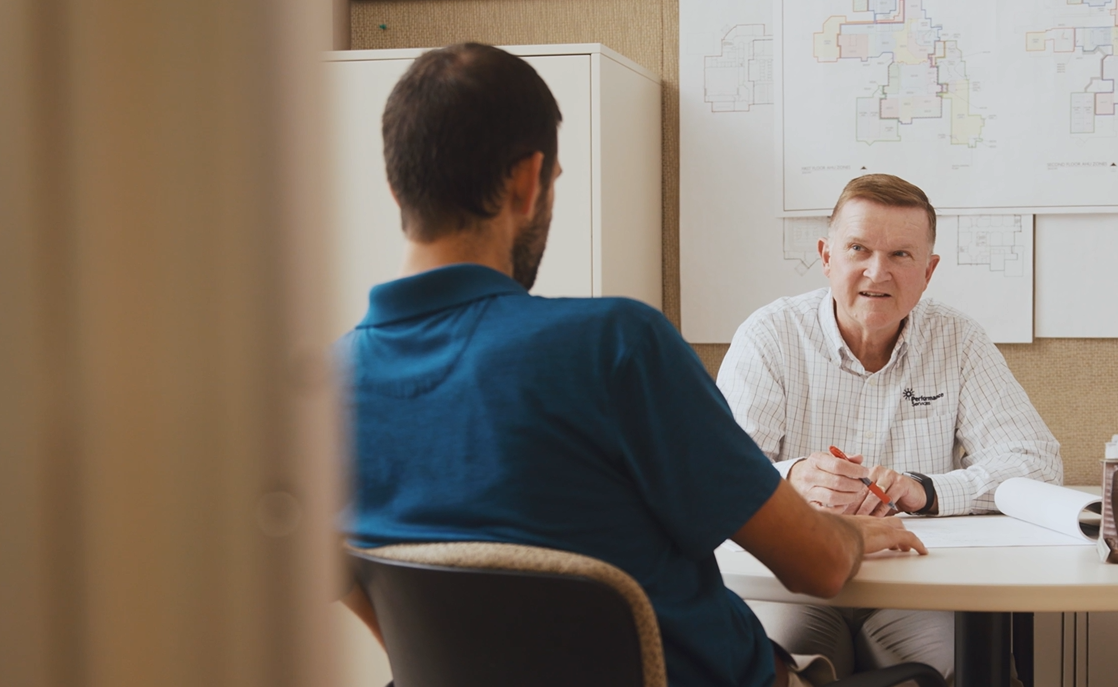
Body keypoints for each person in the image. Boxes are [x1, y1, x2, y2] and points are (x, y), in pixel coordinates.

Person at [335, 43, 926, 687]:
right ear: (530, 180)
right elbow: (817, 568)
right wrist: (844, 533)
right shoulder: (614, 346)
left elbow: (365, 592)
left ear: (395, 183)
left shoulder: (322, 387)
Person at [717, 173, 1063, 680]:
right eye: (858, 248)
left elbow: (1037, 462)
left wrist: (927, 489)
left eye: (901, 255)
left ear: (928, 271)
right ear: (827, 256)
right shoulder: (770, 336)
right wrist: (791, 478)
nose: (877, 273)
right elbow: (718, 478)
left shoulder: (958, 339)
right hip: (797, 581)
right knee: (781, 666)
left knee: (963, 670)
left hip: (918, 584)